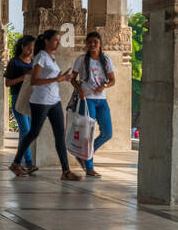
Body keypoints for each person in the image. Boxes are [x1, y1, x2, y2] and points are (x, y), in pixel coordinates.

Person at [10, 28, 80, 181]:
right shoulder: (41, 57)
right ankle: (16, 163)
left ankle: (66, 171)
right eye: (55, 40)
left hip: (54, 100)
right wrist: (57, 79)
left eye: (58, 40)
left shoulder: (51, 57)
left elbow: (54, 78)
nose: (58, 43)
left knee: (60, 134)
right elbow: (34, 81)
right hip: (40, 101)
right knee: (33, 133)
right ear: (47, 41)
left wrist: (65, 77)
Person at [71, 31, 116, 177]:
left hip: (101, 100)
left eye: (95, 42)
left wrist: (105, 86)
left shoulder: (106, 60)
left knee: (107, 133)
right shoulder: (82, 60)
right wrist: (80, 91)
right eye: (89, 42)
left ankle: (84, 155)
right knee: (89, 132)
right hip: (87, 99)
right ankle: (89, 167)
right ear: (86, 44)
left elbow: (112, 80)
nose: (92, 44)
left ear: (100, 44)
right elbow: (72, 79)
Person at [4, 35, 37, 174]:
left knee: (28, 132)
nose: (30, 50)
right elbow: (8, 83)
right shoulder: (14, 62)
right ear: (22, 46)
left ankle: (25, 163)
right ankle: (27, 163)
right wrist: (22, 78)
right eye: (28, 47)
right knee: (25, 131)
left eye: (32, 48)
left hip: (31, 98)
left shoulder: (34, 62)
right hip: (18, 97)